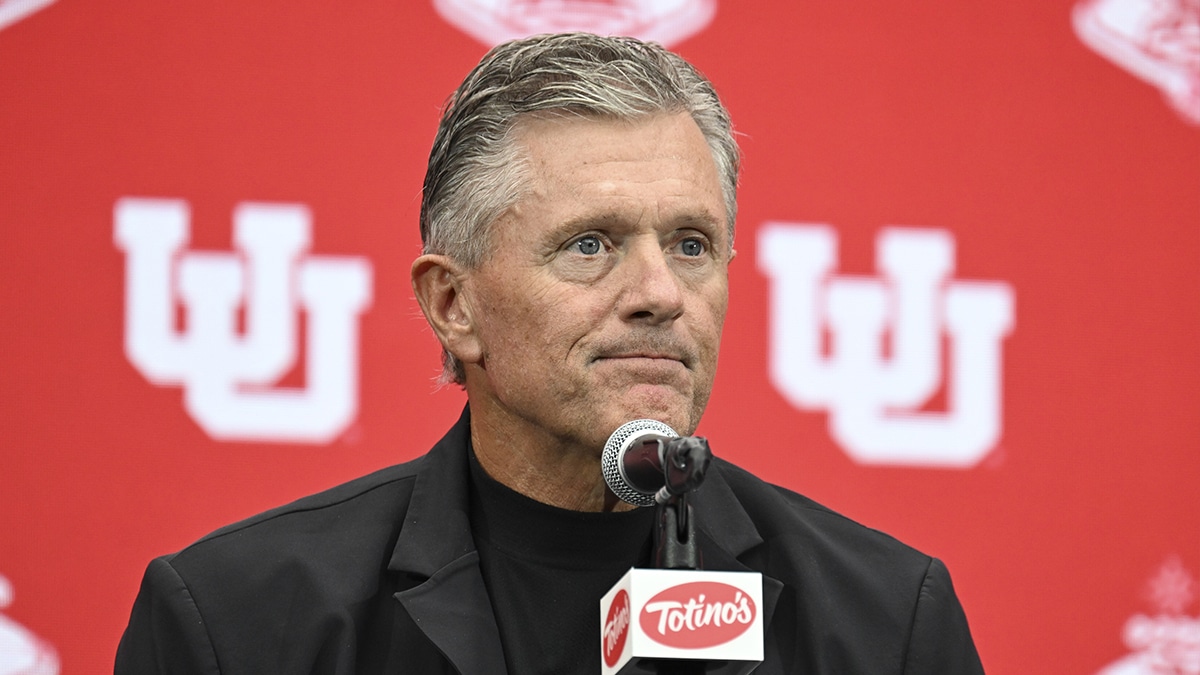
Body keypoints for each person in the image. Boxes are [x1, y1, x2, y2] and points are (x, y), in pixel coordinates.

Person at [115, 33, 984, 674]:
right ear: (453, 305)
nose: (660, 293)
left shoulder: (883, 624)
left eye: (689, 243)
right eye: (590, 245)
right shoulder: (239, 622)